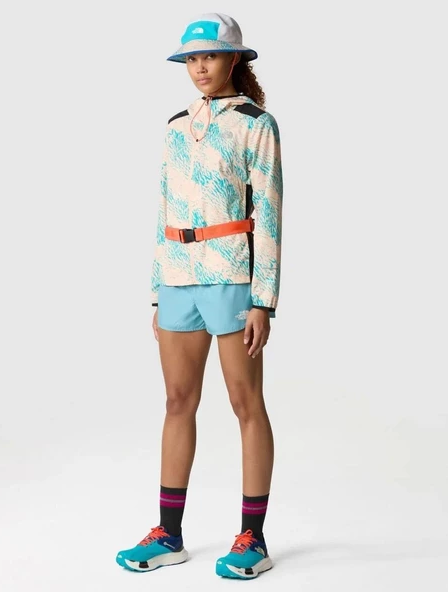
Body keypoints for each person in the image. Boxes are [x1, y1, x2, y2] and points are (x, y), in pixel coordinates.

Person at [116, 13, 283, 580]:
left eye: (209, 56)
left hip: (232, 275)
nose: (200, 67)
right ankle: (169, 533)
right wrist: (156, 293)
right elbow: (163, 208)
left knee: (245, 403)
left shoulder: (256, 124)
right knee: (176, 402)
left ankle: (253, 538)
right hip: (177, 277)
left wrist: (263, 299)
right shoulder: (174, 125)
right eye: (191, 58)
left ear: (234, 59)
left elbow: (270, 215)